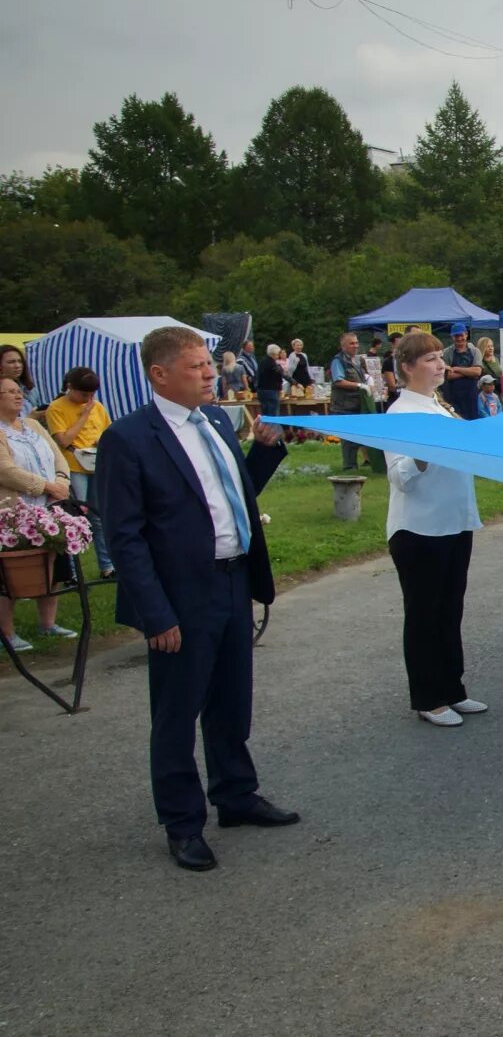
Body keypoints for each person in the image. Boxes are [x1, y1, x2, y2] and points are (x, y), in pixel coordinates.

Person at [97, 325, 297, 872]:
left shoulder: (213, 420)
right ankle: (182, 822)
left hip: (232, 580)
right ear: (159, 375)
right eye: (196, 367)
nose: (211, 373)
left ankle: (235, 795)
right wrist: (156, 613)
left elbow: (235, 496)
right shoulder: (129, 438)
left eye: (209, 364)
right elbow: (125, 536)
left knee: (232, 698)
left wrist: (262, 454)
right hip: (180, 594)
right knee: (177, 710)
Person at [384, 330, 487, 728]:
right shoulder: (400, 413)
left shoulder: (438, 406)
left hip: (454, 522)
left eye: (439, 358)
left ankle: (452, 688)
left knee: (450, 609)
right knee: (424, 614)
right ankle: (427, 696)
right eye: (429, 360)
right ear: (407, 367)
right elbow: (400, 477)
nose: (439, 365)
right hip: (420, 530)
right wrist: (424, 458)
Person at [0, 377, 76, 649]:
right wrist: (45, 486)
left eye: (18, 391)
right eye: (8, 392)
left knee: (52, 565)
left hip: (48, 507)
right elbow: (6, 470)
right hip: (12, 511)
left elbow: (58, 456)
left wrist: (62, 484)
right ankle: (6, 633)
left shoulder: (32, 425)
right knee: (10, 574)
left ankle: (48, 623)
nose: (17, 396)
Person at [44, 367, 115, 579]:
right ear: (70, 388)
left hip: (95, 463)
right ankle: (72, 573)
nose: (88, 399)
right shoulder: (56, 408)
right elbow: (63, 440)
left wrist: (101, 441)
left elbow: (107, 432)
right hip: (73, 467)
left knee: (99, 516)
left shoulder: (98, 406)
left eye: (92, 394)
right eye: (84, 394)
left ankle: (107, 566)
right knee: (75, 516)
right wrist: (84, 415)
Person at [329, 332, 382, 469]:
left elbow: (361, 376)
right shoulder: (338, 361)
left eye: (356, 342)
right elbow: (338, 381)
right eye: (351, 343)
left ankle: (366, 463)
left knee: (360, 437)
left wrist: (367, 380)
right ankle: (349, 468)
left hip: (356, 404)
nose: (355, 346)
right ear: (343, 345)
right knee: (348, 440)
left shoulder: (357, 360)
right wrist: (359, 385)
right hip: (343, 406)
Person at [440, 325, 483, 420]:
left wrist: (456, 369)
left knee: (472, 423)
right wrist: (469, 371)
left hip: (471, 396)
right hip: (452, 396)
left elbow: (477, 372)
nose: (459, 338)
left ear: (466, 335)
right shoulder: (447, 352)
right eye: (456, 336)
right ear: (452, 337)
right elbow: (448, 375)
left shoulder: (475, 351)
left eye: (461, 335)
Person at [0, 344, 37, 418]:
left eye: (20, 361)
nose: (17, 366)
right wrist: (30, 419)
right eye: (11, 362)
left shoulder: (28, 388)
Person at [255, 344, 285, 418]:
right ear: (274, 354)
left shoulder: (262, 362)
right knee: (273, 414)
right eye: (278, 353)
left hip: (261, 391)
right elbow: (282, 374)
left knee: (265, 414)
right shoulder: (272, 364)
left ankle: (266, 428)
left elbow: (256, 376)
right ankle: (273, 428)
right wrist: (295, 383)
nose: (279, 355)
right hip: (271, 391)